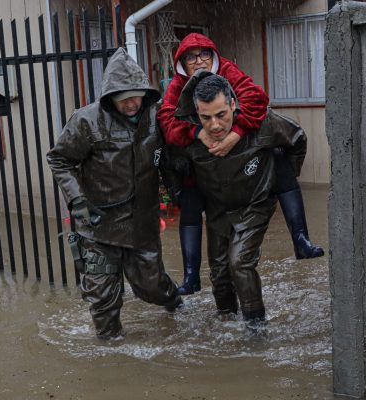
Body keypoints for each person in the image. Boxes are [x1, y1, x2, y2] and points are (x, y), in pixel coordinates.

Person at [157, 33, 323, 296]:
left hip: (245, 161)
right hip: (205, 167)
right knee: (190, 195)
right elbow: (166, 122)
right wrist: (196, 133)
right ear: (181, 63)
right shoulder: (177, 86)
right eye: (190, 57)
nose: (198, 61)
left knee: (278, 157)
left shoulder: (227, 71)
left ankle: (300, 238)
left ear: (213, 56)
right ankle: (190, 276)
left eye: (204, 54)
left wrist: (236, 134)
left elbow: (257, 99)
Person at [47, 48, 182, 339]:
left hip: (142, 224)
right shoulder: (86, 120)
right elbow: (60, 159)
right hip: (97, 227)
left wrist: (177, 194)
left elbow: (169, 159)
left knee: (152, 287)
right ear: (111, 98)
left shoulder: (155, 118)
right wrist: (77, 199)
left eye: (137, 97)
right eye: (124, 99)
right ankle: (111, 352)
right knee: (102, 297)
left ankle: (177, 306)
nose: (132, 104)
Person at [163, 71, 308, 328]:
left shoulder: (262, 124)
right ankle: (227, 322)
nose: (215, 126)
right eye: (205, 118)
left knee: (239, 262)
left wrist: (283, 177)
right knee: (219, 274)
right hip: (218, 208)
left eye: (221, 115)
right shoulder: (191, 139)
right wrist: (181, 195)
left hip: (255, 203)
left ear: (232, 104)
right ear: (196, 113)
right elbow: (171, 164)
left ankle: (256, 326)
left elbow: (297, 139)